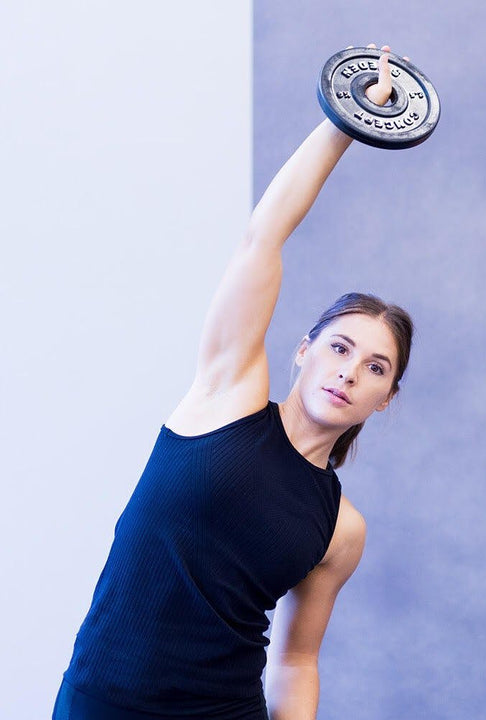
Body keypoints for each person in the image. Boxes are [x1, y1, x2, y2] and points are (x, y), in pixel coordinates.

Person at [54, 44, 416, 720]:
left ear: (384, 399)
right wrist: (348, 121)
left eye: (376, 367)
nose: (350, 370)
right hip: (103, 703)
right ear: (304, 351)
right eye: (340, 347)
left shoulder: (341, 530)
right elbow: (264, 237)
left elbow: (298, 661)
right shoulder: (227, 396)